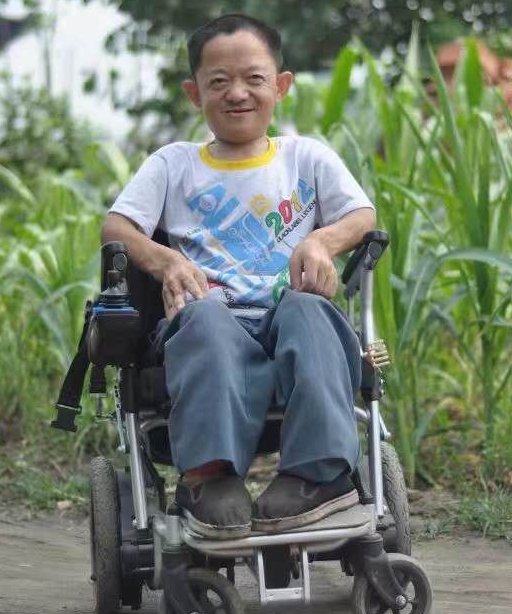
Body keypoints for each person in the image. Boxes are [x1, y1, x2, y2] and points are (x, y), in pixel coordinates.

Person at [102, 13, 376, 540]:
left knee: (310, 309)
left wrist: (320, 240)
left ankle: (318, 480)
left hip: (288, 316)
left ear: (281, 85)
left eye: (254, 78)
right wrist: (165, 260)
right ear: (194, 93)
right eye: (219, 81)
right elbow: (116, 227)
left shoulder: (306, 157)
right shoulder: (173, 164)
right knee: (204, 317)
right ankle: (209, 478)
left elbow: (362, 217)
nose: (237, 94)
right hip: (210, 320)